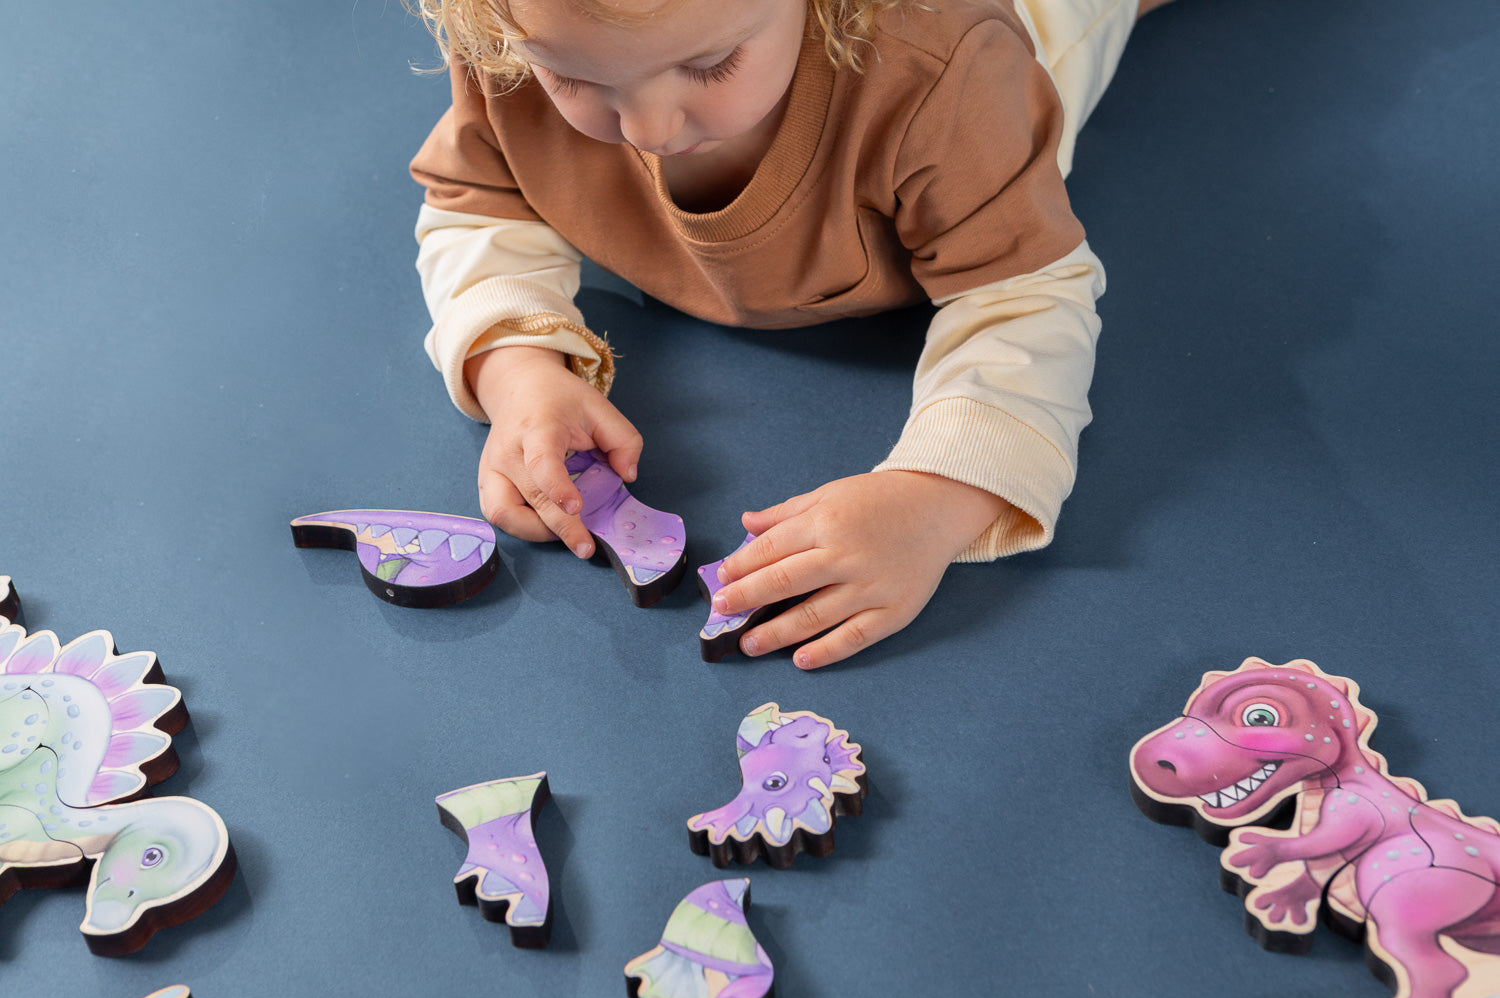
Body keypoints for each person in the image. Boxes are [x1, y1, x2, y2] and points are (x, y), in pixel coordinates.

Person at [408, 0, 1171, 668]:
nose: (647, 126)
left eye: (710, 64)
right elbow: (483, 201)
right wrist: (516, 367)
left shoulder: (944, 73)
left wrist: (938, 496)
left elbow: (1023, 298)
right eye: (575, 80)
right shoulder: (514, 30)